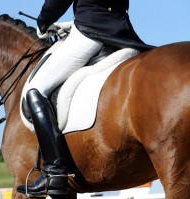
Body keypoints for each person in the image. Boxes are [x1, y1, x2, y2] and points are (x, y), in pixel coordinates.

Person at [17, 0, 149, 197]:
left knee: (35, 90)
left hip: (90, 32)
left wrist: (43, 23)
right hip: (123, 33)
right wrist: (72, 23)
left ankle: (54, 172)